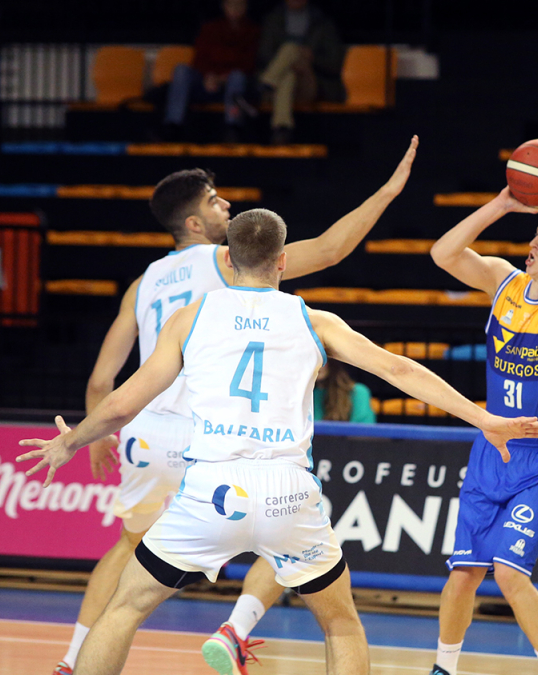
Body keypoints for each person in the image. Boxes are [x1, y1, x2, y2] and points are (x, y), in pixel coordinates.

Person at [19, 209, 538, 675]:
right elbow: (399, 370)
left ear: (229, 259)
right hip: (288, 495)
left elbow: (122, 404)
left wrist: (70, 443)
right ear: (282, 261)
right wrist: (482, 418)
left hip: (210, 490)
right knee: (341, 625)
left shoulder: (191, 318)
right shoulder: (312, 320)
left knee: (123, 608)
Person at [49, 137, 419, 675]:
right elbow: (331, 250)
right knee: (286, 531)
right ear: (195, 224)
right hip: (210, 435)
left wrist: (92, 437)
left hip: (143, 432)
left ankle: (72, 658)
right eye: (213, 200)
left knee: (129, 558)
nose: (224, 205)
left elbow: (102, 380)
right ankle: (236, 628)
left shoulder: (142, 283)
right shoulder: (229, 262)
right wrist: (387, 192)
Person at [428, 158, 538, 675]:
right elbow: (443, 254)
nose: (533, 244)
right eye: (536, 235)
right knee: (463, 574)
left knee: (508, 572)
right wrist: (502, 204)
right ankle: (443, 669)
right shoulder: (504, 282)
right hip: (494, 451)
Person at [162, 0, 260, 142]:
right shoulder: (210, 28)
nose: (235, 9)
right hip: (206, 81)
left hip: (231, 84)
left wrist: (221, 78)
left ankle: (233, 127)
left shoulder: (252, 31)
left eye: (239, 5)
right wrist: (208, 76)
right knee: (181, 70)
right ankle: (173, 125)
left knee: (237, 77)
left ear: (246, 7)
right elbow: (199, 59)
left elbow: (249, 64)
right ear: (224, 6)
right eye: (231, 5)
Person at [257, 0, 345, 145]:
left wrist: (311, 58)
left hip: (310, 82)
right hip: (282, 83)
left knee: (291, 49)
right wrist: (290, 63)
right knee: (289, 71)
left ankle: (266, 83)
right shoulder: (273, 20)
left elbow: (334, 63)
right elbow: (263, 54)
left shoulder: (322, 22)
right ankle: (282, 128)